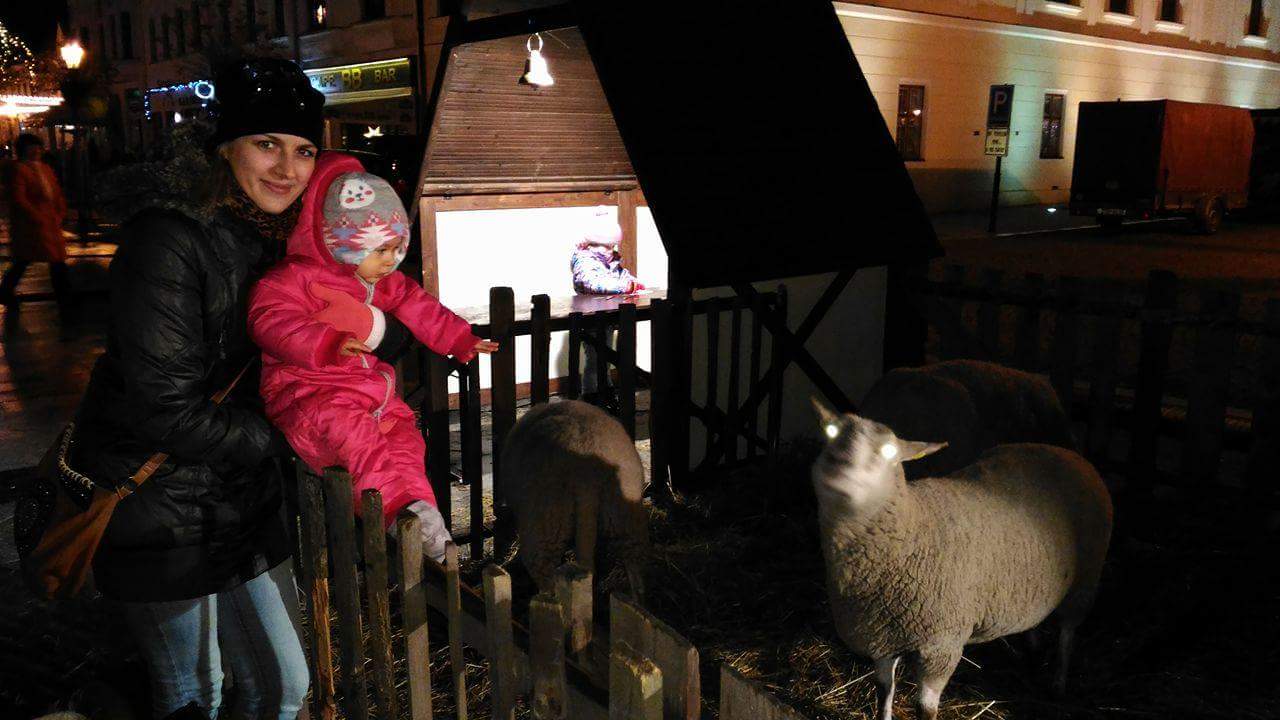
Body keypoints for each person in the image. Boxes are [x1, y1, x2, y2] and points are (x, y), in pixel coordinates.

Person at [65, 59, 397, 720]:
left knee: (284, 686)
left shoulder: (290, 244)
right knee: (196, 692)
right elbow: (164, 409)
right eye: (266, 143)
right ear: (224, 146)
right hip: (158, 504)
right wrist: (290, 432)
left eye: (304, 150)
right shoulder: (169, 238)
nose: (287, 168)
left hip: (240, 501)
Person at [248, 156, 497, 561]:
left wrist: (458, 337)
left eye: (397, 250)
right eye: (381, 250)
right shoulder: (296, 277)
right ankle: (401, 518)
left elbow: (415, 301)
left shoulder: (373, 277)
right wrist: (325, 342)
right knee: (358, 444)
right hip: (311, 392)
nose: (390, 262)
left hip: (369, 392)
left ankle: (425, 519)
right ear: (341, 242)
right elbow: (270, 319)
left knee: (405, 439)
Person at [570, 207, 645, 407]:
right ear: (590, 245)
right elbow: (592, 283)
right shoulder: (584, 261)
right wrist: (623, 287)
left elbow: (622, 275)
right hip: (590, 315)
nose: (610, 251)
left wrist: (633, 282)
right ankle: (591, 394)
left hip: (607, 314)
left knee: (605, 356)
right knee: (595, 357)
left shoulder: (609, 260)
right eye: (606, 247)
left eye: (612, 246)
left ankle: (606, 390)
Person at [0, 133, 69, 314]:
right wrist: (36, 215)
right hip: (31, 225)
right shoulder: (20, 170)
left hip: (49, 222)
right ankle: (64, 299)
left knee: (52, 260)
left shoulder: (44, 169)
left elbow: (56, 192)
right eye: (33, 147)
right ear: (24, 149)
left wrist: (60, 211)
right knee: (30, 259)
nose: (37, 150)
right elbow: (19, 197)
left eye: (38, 147)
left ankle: (64, 298)